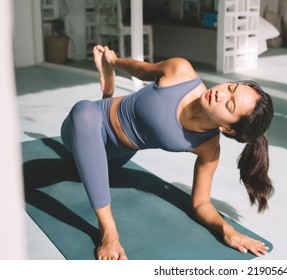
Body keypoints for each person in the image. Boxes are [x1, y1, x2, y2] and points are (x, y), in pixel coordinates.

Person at [61, 45, 274, 260]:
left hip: (115, 156)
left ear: (227, 128)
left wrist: (227, 229)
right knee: (84, 112)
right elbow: (142, 69)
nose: (220, 93)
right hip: (85, 124)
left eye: (229, 105)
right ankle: (109, 231)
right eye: (231, 87)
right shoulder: (181, 72)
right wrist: (113, 63)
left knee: (88, 167)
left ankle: (106, 93)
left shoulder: (208, 146)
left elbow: (201, 203)